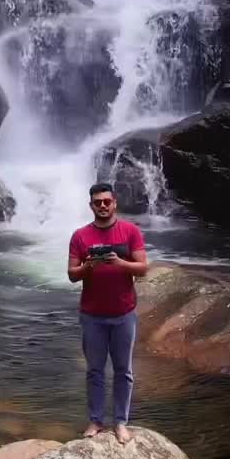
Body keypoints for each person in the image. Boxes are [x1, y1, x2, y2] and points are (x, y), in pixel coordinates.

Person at [68, 183, 148, 445]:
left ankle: (121, 422)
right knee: (95, 370)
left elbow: (143, 268)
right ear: (91, 205)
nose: (102, 206)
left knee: (124, 371)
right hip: (92, 315)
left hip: (124, 314)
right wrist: (88, 266)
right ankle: (95, 420)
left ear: (114, 203)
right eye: (97, 202)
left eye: (106, 201)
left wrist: (119, 262)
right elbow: (71, 274)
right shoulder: (80, 236)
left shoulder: (130, 231)